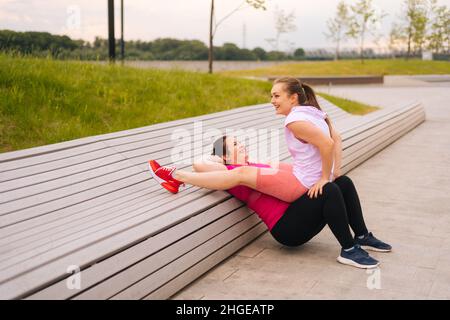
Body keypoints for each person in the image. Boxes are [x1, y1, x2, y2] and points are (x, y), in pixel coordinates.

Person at [149, 77, 392, 268]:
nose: (242, 145)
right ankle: (348, 250)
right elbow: (200, 163)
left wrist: (329, 173)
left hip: (296, 211)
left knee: (343, 182)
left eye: (240, 142)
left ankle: (361, 235)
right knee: (328, 190)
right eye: (235, 145)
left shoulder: (258, 166)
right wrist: (210, 160)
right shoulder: (232, 171)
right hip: (286, 228)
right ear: (223, 156)